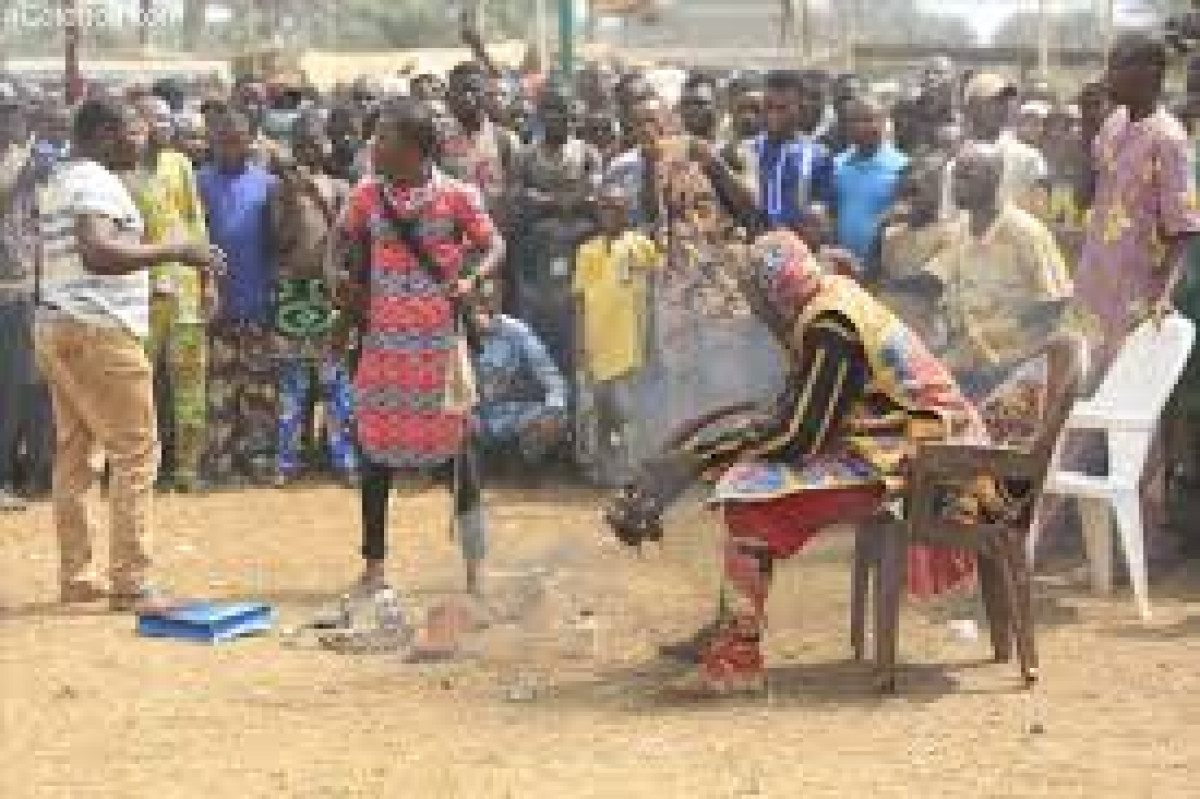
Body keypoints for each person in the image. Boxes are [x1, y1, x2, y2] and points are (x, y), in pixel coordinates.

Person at [605, 230, 991, 694]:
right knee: (747, 478)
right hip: (903, 443)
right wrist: (708, 454)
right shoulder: (828, 296)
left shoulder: (832, 327)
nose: (754, 312)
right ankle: (733, 623)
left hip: (930, 461)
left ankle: (737, 659)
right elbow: (800, 415)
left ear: (774, 296)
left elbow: (799, 436)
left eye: (754, 298)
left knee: (750, 497)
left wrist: (694, 463)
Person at [34, 99, 218, 612]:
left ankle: (78, 576)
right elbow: (97, 250)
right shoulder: (94, 181)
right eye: (135, 131)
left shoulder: (58, 178)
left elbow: (78, 261)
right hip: (99, 335)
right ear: (106, 133)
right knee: (136, 453)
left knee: (76, 455)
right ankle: (131, 581)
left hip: (60, 326)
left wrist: (141, 289)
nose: (144, 140)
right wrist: (177, 251)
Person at [332, 96, 505, 596]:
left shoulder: (457, 195)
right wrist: (334, 278)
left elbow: (495, 244)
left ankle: (476, 570)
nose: (374, 144)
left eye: (385, 137)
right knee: (375, 454)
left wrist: (474, 277)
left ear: (414, 148)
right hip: (383, 343)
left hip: (438, 346)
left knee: (458, 456)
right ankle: (374, 567)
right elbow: (337, 244)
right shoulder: (366, 195)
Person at [1074, 33, 1200, 569]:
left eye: (1118, 65)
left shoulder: (1169, 139)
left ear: (1151, 70)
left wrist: (1163, 297)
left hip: (1136, 302)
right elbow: (1088, 195)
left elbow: (1183, 228)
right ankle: (1076, 535)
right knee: (1079, 412)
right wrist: (1086, 126)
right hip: (1093, 294)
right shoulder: (1112, 124)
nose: (1109, 74)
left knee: (1135, 424)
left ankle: (1138, 545)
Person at [926, 143, 1072, 400]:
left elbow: (1054, 304)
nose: (957, 184)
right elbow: (930, 283)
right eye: (955, 176)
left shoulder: (1026, 233)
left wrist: (1005, 344)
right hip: (964, 366)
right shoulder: (957, 231)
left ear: (994, 178)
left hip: (1014, 371)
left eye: (967, 177)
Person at [126, 94, 212, 493]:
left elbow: (196, 224)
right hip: (139, 297)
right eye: (154, 119)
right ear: (137, 125)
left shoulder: (179, 164)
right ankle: (135, 468)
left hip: (187, 294)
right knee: (136, 386)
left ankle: (187, 470)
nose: (165, 125)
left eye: (167, 119)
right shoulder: (121, 175)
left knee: (190, 386)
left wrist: (209, 280)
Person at [268, 123, 358, 488]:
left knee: (336, 384)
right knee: (293, 385)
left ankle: (343, 458)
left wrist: (317, 197)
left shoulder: (340, 188)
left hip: (329, 291)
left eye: (317, 142)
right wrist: (292, 198)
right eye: (303, 143)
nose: (311, 149)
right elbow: (279, 241)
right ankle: (287, 461)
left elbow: (346, 237)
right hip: (293, 292)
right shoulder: (279, 191)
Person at [198, 107, 279, 488]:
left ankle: (258, 459)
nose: (230, 145)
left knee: (259, 389)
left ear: (251, 140)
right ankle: (220, 462)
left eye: (238, 138)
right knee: (219, 390)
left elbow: (278, 244)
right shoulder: (199, 184)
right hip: (216, 304)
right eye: (223, 139)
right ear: (211, 142)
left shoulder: (268, 185)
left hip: (258, 300)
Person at [573, 185, 662, 485]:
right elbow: (580, 303)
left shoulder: (643, 247)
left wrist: (652, 341)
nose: (611, 213)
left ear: (628, 211)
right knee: (593, 414)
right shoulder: (587, 250)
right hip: (595, 348)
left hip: (630, 347)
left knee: (628, 414)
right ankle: (597, 471)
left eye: (617, 207)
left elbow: (652, 298)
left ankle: (631, 473)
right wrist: (579, 348)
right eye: (606, 207)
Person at [508, 88, 603, 370]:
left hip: (580, 249)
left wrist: (551, 201)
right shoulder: (526, 156)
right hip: (537, 252)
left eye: (562, 113)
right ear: (540, 118)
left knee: (578, 324)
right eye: (549, 113)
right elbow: (517, 198)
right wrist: (559, 202)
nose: (556, 120)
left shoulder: (586, 153)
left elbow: (595, 195)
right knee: (540, 323)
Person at [0, 89, 52, 510]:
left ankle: (21, 472)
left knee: (22, 387)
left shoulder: (29, 161)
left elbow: (39, 222)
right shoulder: (21, 166)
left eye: (13, 113)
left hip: (24, 289)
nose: (11, 120)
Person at [468, 290, 570, 476]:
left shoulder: (517, 331)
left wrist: (555, 409)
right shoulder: (453, 336)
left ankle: (526, 469)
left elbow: (551, 376)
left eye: (478, 309)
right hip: (474, 417)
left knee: (557, 419)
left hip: (513, 412)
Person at [877, 153, 958, 346]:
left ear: (936, 192)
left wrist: (889, 285)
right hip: (890, 331)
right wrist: (878, 231)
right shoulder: (892, 232)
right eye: (903, 193)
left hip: (926, 335)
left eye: (915, 192)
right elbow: (873, 275)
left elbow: (930, 283)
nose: (908, 200)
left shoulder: (951, 234)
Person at [740, 70, 835, 232]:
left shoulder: (818, 155)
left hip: (799, 249)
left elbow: (823, 214)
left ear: (800, 108)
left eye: (782, 108)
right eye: (769, 106)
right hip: (749, 247)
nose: (774, 114)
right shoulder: (744, 151)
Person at [833, 95, 909, 279]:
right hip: (842, 268)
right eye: (854, 120)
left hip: (882, 271)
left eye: (868, 119)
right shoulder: (837, 164)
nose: (861, 126)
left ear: (883, 122)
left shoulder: (902, 166)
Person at [954, 72, 1049, 217]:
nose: (1002, 107)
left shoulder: (1029, 158)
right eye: (993, 101)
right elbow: (948, 214)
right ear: (972, 107)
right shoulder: (955, 157)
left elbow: (1040, 214)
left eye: (1005, 101)